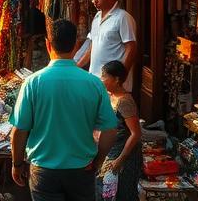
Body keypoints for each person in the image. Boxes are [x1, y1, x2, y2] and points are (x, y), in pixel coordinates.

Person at [10, 18, 118, 201]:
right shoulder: (94, 84)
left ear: (47, 45)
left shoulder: (33, 83)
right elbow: (110, 129)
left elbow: (20, 130)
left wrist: (17, 164)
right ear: (76, 46)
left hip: (44, 172)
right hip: (81, 171)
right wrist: (98, 161)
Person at [76, 0, 138, 91]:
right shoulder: (97, 17)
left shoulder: (123, 17)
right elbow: (92, 47)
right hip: (95, 80)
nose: (94, 1)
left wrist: (119, 79)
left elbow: (131, 49)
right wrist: (76, 66)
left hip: (114, 85)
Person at [98, 60, 142, 201]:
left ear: (116, 79)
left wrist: (120, 160)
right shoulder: (110, 97)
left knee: (123, 193)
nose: (101, 79)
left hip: (124, 156)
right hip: (111, 151)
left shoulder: (125, 101)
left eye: (104, 76)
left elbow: (136, 134)